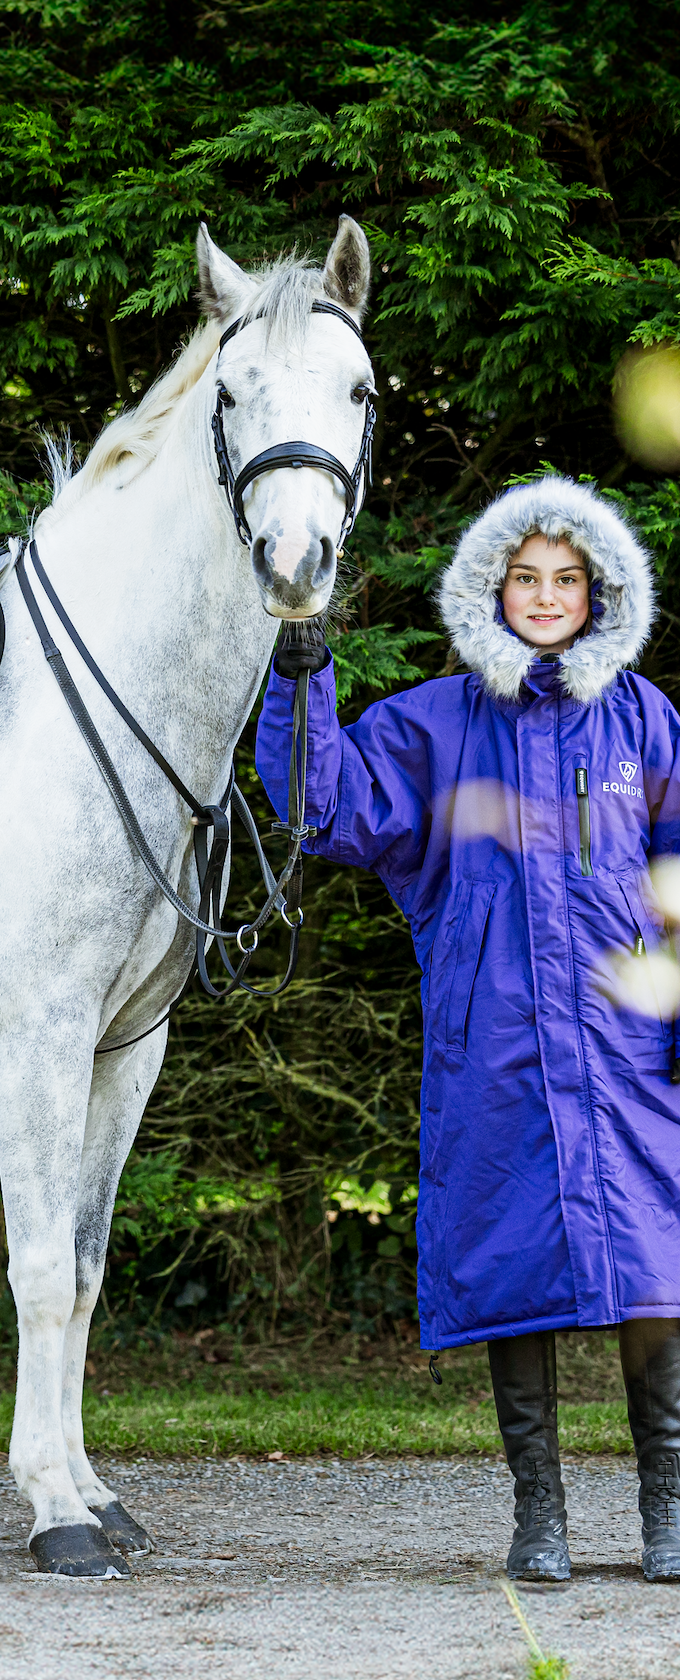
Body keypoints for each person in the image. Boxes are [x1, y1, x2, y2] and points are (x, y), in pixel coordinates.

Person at [256, 476, 680, 1583]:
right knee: (513, 1268)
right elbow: (323, 804)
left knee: (659, 1275)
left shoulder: (644, 719)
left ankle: (667, 1510)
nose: (545, 596)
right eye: (524, 578)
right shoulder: (436, 725)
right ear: (491, 589)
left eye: (567, 579)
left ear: (600, 591)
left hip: (629, 1056)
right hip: (495, 1048)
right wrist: (301, 676)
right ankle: (537, 1514)